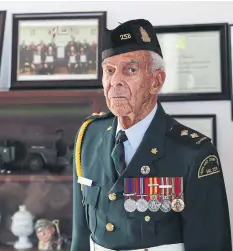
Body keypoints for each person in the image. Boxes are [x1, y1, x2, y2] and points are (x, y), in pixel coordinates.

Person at [71, 19, 231, 251]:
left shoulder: (193, 152)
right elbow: (80, 236)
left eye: (130, 70)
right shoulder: (89, 136)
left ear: (156, 81)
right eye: (109, 71)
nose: (115, 81)